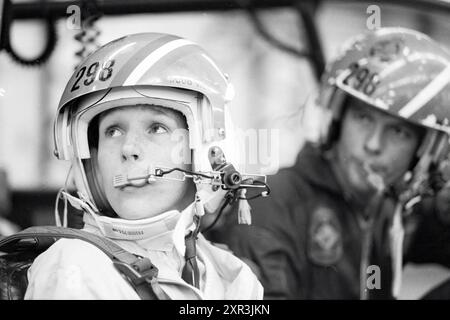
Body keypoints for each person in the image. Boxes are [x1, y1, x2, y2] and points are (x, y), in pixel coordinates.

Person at [207, 27, 450, 299]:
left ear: (423, 149)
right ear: (336, 122)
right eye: (363, 118)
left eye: (397, 132)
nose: (373, 144)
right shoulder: (265, 207)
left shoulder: (389, 209)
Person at [24, 33, 263, 299]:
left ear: (207, 149)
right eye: (113, 131)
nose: (129, 149)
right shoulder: (75, 267)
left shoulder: (233, 278)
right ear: (92, 162)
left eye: (156, 128)